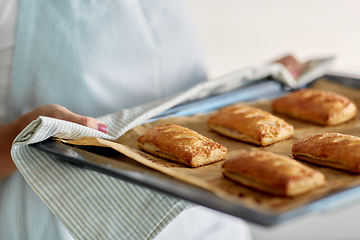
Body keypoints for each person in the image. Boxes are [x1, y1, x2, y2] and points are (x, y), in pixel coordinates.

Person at [0, 0, 302, 239]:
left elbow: (181, 94)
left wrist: (257, 87)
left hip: (210, 218)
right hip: (69, 223)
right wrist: (21, 135)